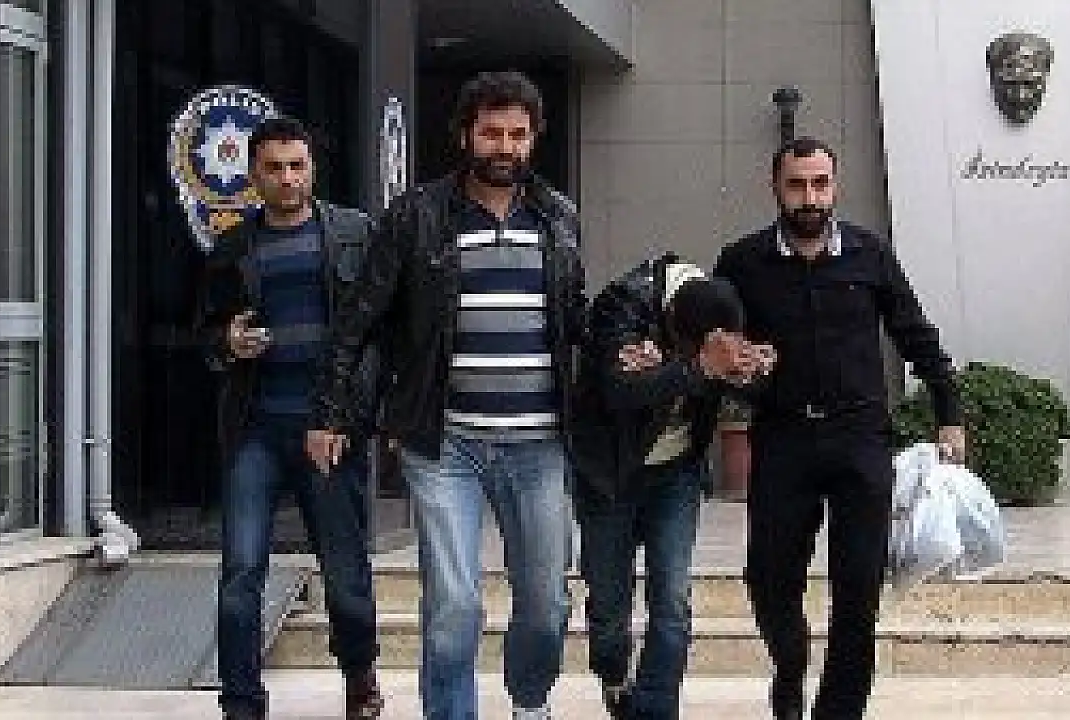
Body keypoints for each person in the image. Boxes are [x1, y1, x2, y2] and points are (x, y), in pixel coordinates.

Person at [306, 71, 586, 720]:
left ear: (534, 139)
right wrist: (330, 413)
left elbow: (572, 317)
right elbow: (358, 319)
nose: (505, 147)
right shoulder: (417, 215)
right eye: (492, 133)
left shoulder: (559, 217)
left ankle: (530, 702)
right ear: (465, 134)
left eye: (518, 134)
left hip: (540, 443)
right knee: (454, 604)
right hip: (445, 442)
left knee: (546, 603)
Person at [713, 136, 966, 720]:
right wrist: (739, 367)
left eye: (820, 184)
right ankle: (790, 665)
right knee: (768, 580)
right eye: (797, 185)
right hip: (783, 439)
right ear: (775, 188)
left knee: (858, 594)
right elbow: (716, 347)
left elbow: (915, 335)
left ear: (835, 186)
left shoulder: (870, 254)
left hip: (860, 440)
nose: (810, 198)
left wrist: (949, 414)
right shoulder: (742, 262)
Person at [196, 116, 382, 720]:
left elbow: (377, 334)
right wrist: (228, 341)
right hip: (255, 427)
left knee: (344, 568)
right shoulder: (233, 247)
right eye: (273, 168)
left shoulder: (353, 234)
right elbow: (206, 334)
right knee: (241, 569)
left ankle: (360, 678)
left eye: (296, 166)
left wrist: (356, 419)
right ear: (253, 175)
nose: (287, 178)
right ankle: (241, 703)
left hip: (328, 428)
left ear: (312, 169)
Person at [569, 256, 771, 719]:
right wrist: (696, 369)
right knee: (609, 609)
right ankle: (614, 676)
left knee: (672, 600)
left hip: (676, 474)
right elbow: (618, 392)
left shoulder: (723, 307)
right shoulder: (623, 304)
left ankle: (655, 708)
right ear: (668, 316)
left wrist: (752, 372)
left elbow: (747, 390)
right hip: (610, 474)